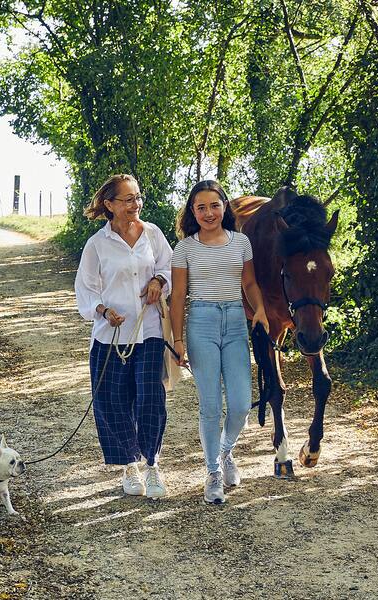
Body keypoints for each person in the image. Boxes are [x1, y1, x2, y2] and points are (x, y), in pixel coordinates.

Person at [169, 180, 269, 505]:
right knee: (210, 406)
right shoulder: (184, 248)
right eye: (201, 207)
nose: (209, 213)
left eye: (215, 205)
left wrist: (261, 311)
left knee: (241, 404)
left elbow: (250, 283)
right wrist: (178, 339)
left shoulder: (241, 242)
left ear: (224, 206)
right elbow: (178, 297)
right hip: (201, 323)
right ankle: (212, 473)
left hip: (236, 323)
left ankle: (226, 452)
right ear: (192, 212)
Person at [75, 174, 173, 499]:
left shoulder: (153, 234)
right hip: (111, 338)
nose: (136, 204)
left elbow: (169, 267)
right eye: (128, 199)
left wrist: (159, 280)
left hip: (149, 332)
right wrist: (102, 311)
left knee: (150, 399)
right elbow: (85, 290)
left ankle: (152, 465)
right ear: (110, 205)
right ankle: (129, 466)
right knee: (113, 403)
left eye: (137, 197)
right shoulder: (96, 245)